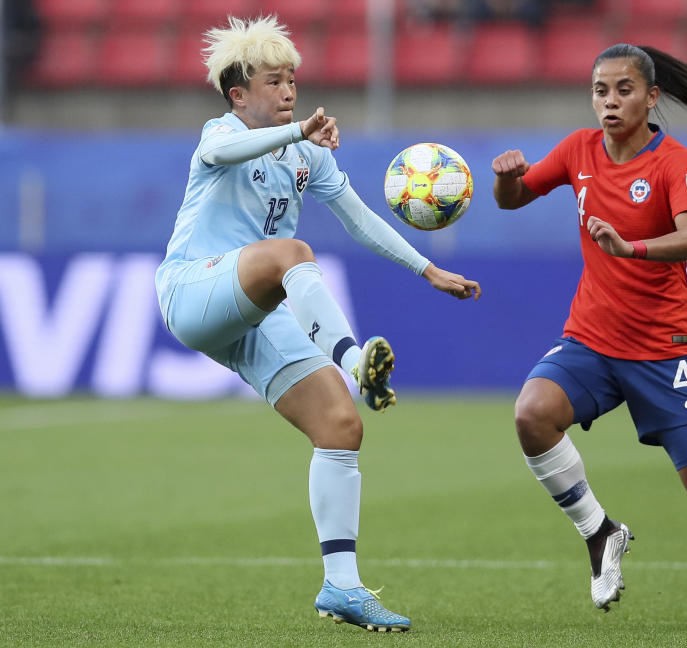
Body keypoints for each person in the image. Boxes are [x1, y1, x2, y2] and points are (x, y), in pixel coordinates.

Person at [155, 15, 480, 633]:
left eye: (292, 82)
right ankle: (356, 362)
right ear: (239, 95)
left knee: (340, 424)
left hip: (258, 308)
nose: (287, 93)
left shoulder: (303, 149)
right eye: (273, 83)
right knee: (294, 252)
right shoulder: (219, 133)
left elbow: (358, 217)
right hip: (194, 290)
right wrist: (293, 133)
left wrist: (427, 268)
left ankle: (342, 587)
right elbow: (225, 153)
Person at [491, 43, 687, 631]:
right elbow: (513, 201)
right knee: (532, 414)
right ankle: (600, 531)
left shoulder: (674, 163)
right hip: (591, 340)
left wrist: (629, 247)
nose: (610, 102)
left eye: (623, 90)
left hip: (663, 351)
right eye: (600, 91)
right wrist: (507, 180)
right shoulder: (578, 150)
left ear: (651, 96)